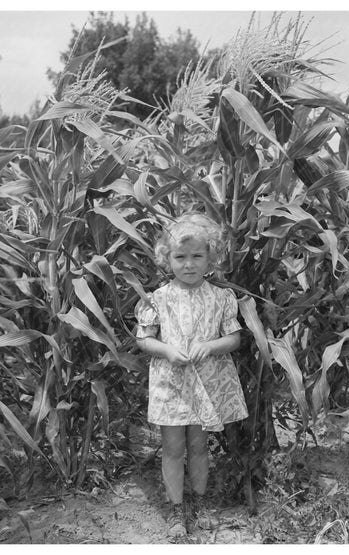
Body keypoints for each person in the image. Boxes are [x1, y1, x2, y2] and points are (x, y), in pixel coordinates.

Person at [134, 213, 248, 538]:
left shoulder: (220, 297)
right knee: (172, 448)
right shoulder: (156, 299)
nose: (188, 264)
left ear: (210, 257)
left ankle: (199, 503)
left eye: (197, 256)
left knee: (199, 447)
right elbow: (144, 339)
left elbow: (234, 338)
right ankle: (175, 509)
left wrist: (211, 346)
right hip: (171, 385)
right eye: (180, 257)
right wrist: (167, 350)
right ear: (166, 259)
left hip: (206, 386)